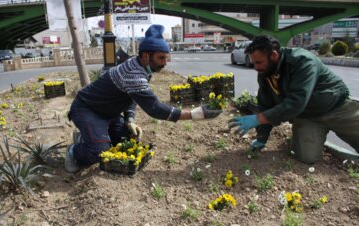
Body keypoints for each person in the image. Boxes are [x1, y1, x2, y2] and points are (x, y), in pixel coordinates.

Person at [65, 24, 222, 173]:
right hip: (87, 109)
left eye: (166, 58)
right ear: (146, 55)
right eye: (161, 58)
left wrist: (130, 119)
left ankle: (89, 136)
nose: (165, 63)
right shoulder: (134, 74)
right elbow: (155, 109)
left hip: (107, 112)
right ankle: (74, 151)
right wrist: (195, 114)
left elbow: (131, 97)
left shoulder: (140, 67)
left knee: (126, 142)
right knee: (101, 152)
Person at [228, 35, 359, 164]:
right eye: (254, 62)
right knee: (306, 157)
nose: (256, 67)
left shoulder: (302, 61)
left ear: (273, 55)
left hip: (337, 108)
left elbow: (297, 102)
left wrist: (257, 119)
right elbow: (265, 105)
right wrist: (261, 138)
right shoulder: (265, 73)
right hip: (309, 116)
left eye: (258, 62)